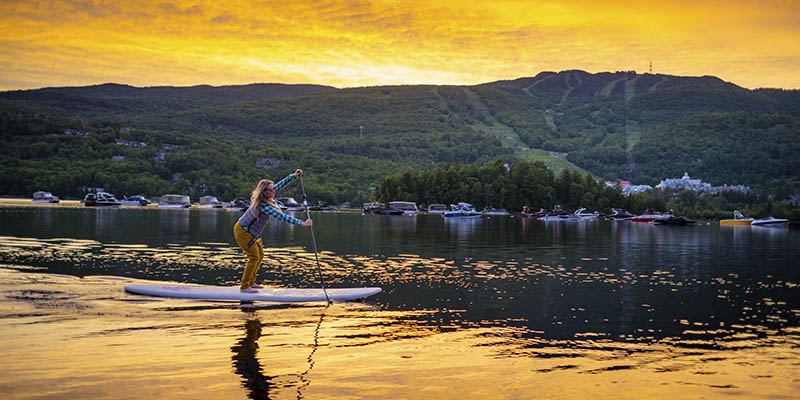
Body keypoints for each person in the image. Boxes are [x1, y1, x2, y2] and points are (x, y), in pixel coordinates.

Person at [234, 169, 312, 292]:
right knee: (254, 257)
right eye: (271, 190)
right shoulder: (263, 206)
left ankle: (251, 282)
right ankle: (244, 286)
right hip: (243, 231)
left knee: (260, 256)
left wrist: (293, 176)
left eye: (273, 189)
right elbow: (282, 216)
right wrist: (302, 223)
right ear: (264, 192)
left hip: (252, 232)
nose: (274, 191)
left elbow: (280, 185)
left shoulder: (268, 194)